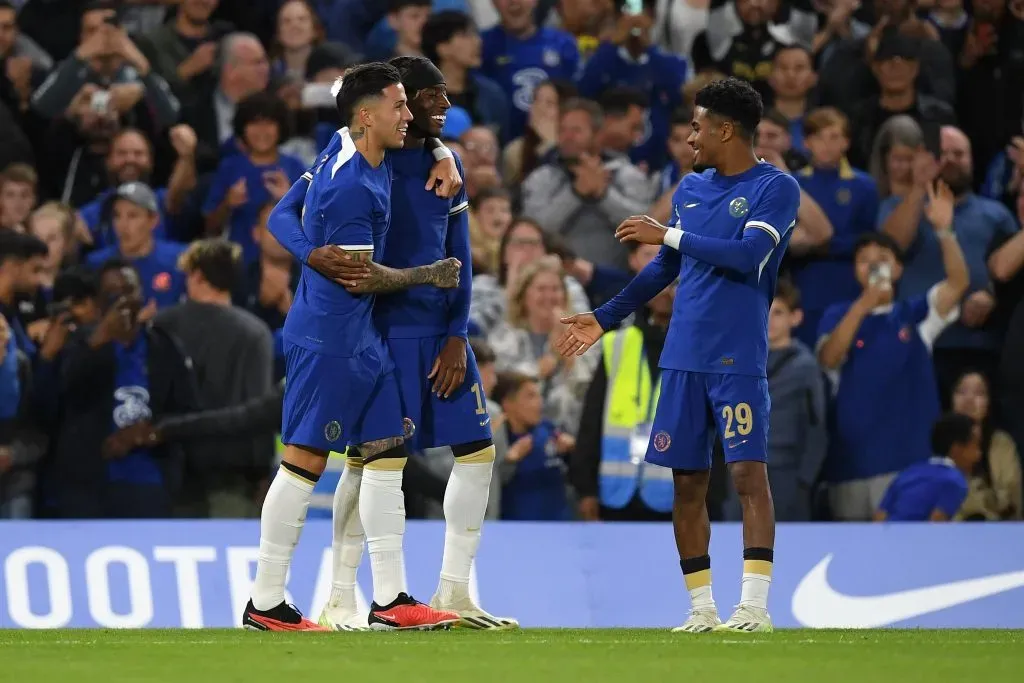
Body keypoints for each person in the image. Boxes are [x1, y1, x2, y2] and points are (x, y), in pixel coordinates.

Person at [267, 56, 517, 632]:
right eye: (426, 97)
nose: (438, 108)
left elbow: (463, 255)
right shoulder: (356, 158)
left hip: (437, 332)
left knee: (474, 452)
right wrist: (311, 254)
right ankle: (340, 596)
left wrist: (458, 332)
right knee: (370, 461)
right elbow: (284, 216)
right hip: (378, 329)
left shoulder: (440, 164)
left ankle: (449, 591)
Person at [555, 78, 801, 634]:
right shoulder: (691, 189)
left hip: (736, 359)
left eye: (697, 126)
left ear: (726, 129)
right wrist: (604, 315)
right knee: (687, 485)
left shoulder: (775, 189)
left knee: (746, 476)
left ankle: (755, 608)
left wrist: (668, 234)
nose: (690, 138)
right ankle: (701, 609)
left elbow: (747, 256)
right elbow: (664, 270)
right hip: (682, 358)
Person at [874, 413, 980, 522]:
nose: (979, 454)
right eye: (976, 445)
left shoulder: (908, 472)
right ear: (956, 449)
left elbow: (880, 515)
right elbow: (936, 525)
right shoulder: (955, 481)